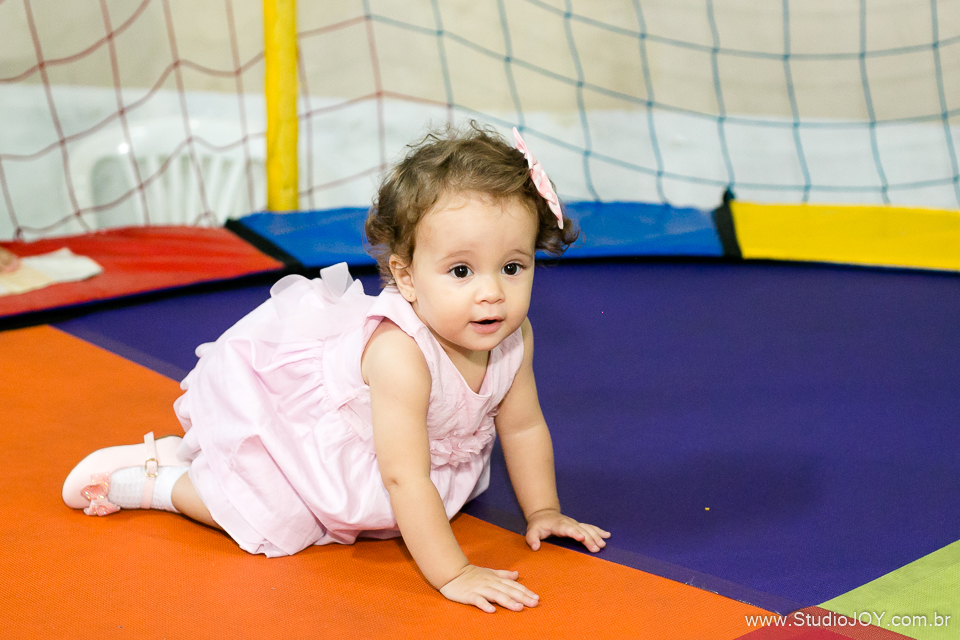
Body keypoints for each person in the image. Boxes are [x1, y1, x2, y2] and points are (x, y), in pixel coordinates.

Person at [63, 122, 610, 613]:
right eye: (461, 271)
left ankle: (184, 464)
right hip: (330, 453)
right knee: (277, 521)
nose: (492, 293)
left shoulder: (514, 336)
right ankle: (161, 479)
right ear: (407, 277)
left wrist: (543, 509)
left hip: (412, 465)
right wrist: (454, 573)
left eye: (512, 267)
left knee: (403, 511)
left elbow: (523, 426)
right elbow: (403, 476)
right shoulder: (401, 354)